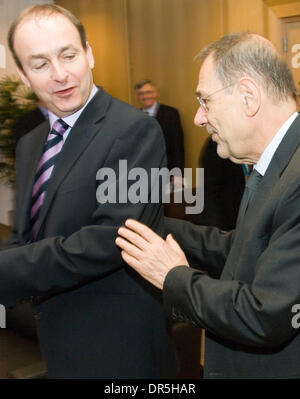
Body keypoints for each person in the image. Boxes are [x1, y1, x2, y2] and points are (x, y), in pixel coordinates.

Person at [1, 4, 176, 378]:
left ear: (89, 53)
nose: (60, 74)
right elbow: (24, 237)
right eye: (40, 64)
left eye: (68, 55)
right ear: (23, 74)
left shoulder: (135, 130)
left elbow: (112, 239)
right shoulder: (31, 142)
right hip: (57, 343)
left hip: (120, 349)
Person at [116, 32, 300, 379]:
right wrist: (154, 224)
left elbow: (264, 314)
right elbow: (242, 247)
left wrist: (173, 277)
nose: (199, 118)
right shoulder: (279, 165)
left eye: (205, 101)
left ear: (248, 96)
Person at [134, 79, 185, 173]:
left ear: (155, 94)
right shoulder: (134, 116)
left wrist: (177, 173)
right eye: (141, 94)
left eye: (148, 92)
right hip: (142, 173)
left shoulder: (171, 113)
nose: (145, 96)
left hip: (166, 171)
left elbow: (177, 145)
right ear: (137, 97)